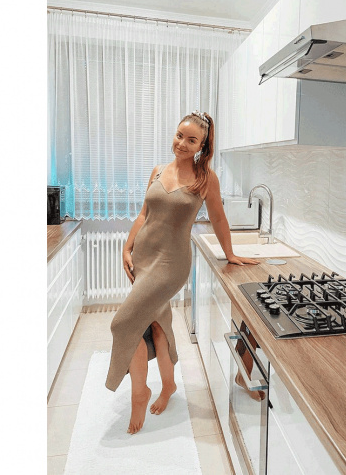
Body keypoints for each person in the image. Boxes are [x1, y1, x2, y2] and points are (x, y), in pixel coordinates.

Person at [105, 110, 260, 434]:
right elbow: (144, 215)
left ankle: (138, 393)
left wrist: (230, 254)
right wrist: (126, 248)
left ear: (202, 145)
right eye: (179, 136)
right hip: (143, 259)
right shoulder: (158, 170)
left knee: (123, 324)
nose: (182, 144)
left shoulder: (206, 179)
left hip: (170, 266)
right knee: (157, 325)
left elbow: (218, 218)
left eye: (192, 140)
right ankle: (168, 385)